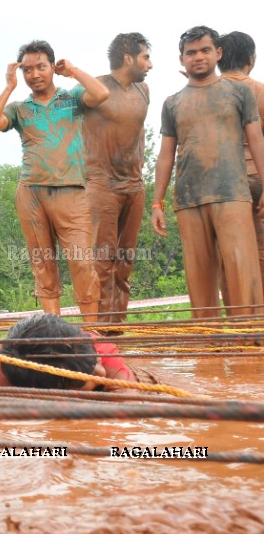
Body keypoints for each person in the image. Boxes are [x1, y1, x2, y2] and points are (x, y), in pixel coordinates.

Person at [0, 41, 110, 321]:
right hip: (31, 193)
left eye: (41, 67)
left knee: (82, 261)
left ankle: (92, 333)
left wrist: (73, 71)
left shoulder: (72, 98)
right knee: (42, 263)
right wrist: (8, 87)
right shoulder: (19, 109)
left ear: (52, 66)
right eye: (27, 69)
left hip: (71, 192)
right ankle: (53, 328)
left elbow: (101, 93)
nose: (35, 74)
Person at [152, 26, 264, 318]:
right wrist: (156, 202)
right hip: (189, 197)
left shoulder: (239, 92)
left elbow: (256, 140)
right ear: (181, 59)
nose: (198, 57)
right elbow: (166, 155)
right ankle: (209, 343)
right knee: (199, 277)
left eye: (204, 50)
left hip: (233, 194)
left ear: (218, 53)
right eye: (191, 53)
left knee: (243, 269)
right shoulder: (172, 102)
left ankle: (249, 338)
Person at [82, 33, 153, 327]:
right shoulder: (94, 89)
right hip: (101, 185)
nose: (150, 64)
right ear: (128, 58)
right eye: (146, 57)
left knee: (125, 262)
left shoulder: (144, 90)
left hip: (134, 186)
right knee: (101, 260)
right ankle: (95, 332)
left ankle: (116, 329)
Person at [217, 31, 264, 304]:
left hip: (220, 184)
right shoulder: (260, 90)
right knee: (260, 252)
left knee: (227, 256)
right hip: (257, 177)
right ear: (251, 59)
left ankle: (238, 325)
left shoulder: (205, 91)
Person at [0, 313, 135, 390]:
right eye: (94, 373)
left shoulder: (106, 356)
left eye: (96, 364)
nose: (100, 372)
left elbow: (130, 413)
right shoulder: (7, 365)